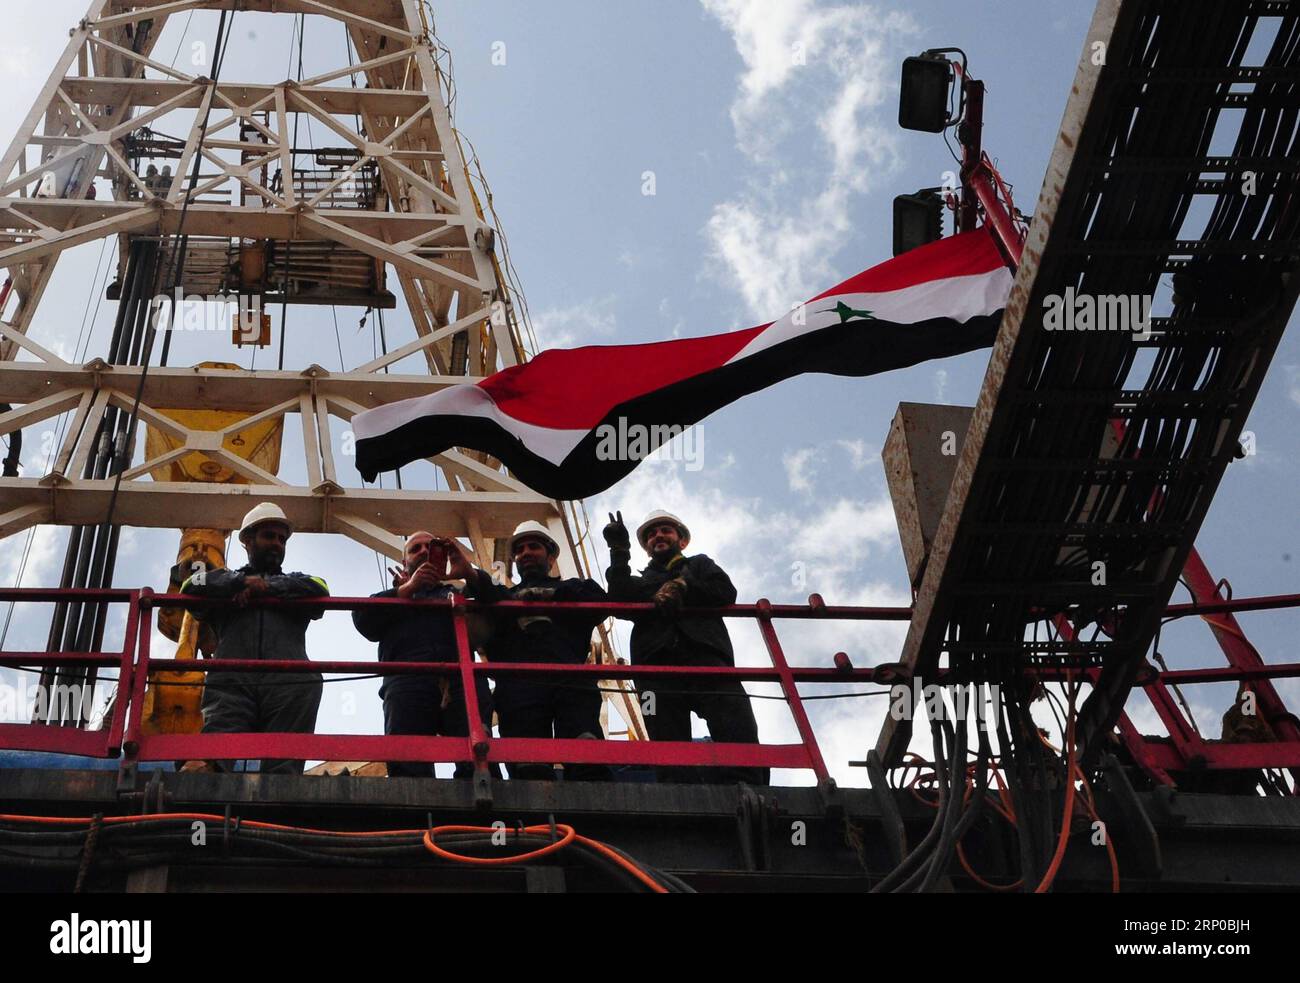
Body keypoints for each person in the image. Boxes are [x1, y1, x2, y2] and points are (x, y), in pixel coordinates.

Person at [603, 509, 767, 786]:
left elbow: (725, 592)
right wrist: (619, 551)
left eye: (665, 530)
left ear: (682, 540)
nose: (658, 536)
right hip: (656, 665)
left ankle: (746, 784)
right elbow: (618, 598)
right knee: (665, 733)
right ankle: (678, 791)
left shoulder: (700, 566)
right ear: (646, 546)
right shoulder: (641, 582)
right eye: (652, 534)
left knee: (732, 715)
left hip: (704, 657)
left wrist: (683, 586)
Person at [179, 502, 328, 775]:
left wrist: (268, 588)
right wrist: (238, 583)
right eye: (269, 536)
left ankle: (279, 796)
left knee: (282, 772)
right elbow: (191, 585)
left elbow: (321, 589)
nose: (277, 544)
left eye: (282, 539)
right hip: (232, 681)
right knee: (206, 764)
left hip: (289, 682)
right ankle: (201, 786)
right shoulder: (224, 580)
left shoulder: (297, 582)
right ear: (247, 540)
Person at [465, 521, 610, 781]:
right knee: (529, 767)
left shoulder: (575, 590)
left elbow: (601, 601)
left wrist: (550, 596)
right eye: (519, 550)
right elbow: (484, 591)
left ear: (551, 556)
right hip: (520, 686)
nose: (526, 553)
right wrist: (469, 573)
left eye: (534, 546)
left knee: (585, 752)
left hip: (570, 681)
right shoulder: (504, 597)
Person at [351, 531, 497, 780]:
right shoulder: (390, 600)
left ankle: (484, 806)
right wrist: (406, 591)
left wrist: (469, 573)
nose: (423, 552)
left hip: (460, 680)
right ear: (405, 562)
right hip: (408, 682)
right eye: (415, 549)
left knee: (478, 757)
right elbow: (363, 619)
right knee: (408, 760)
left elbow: (501, 604)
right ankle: (414, 812)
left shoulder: (462, 593)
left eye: (430, 547)